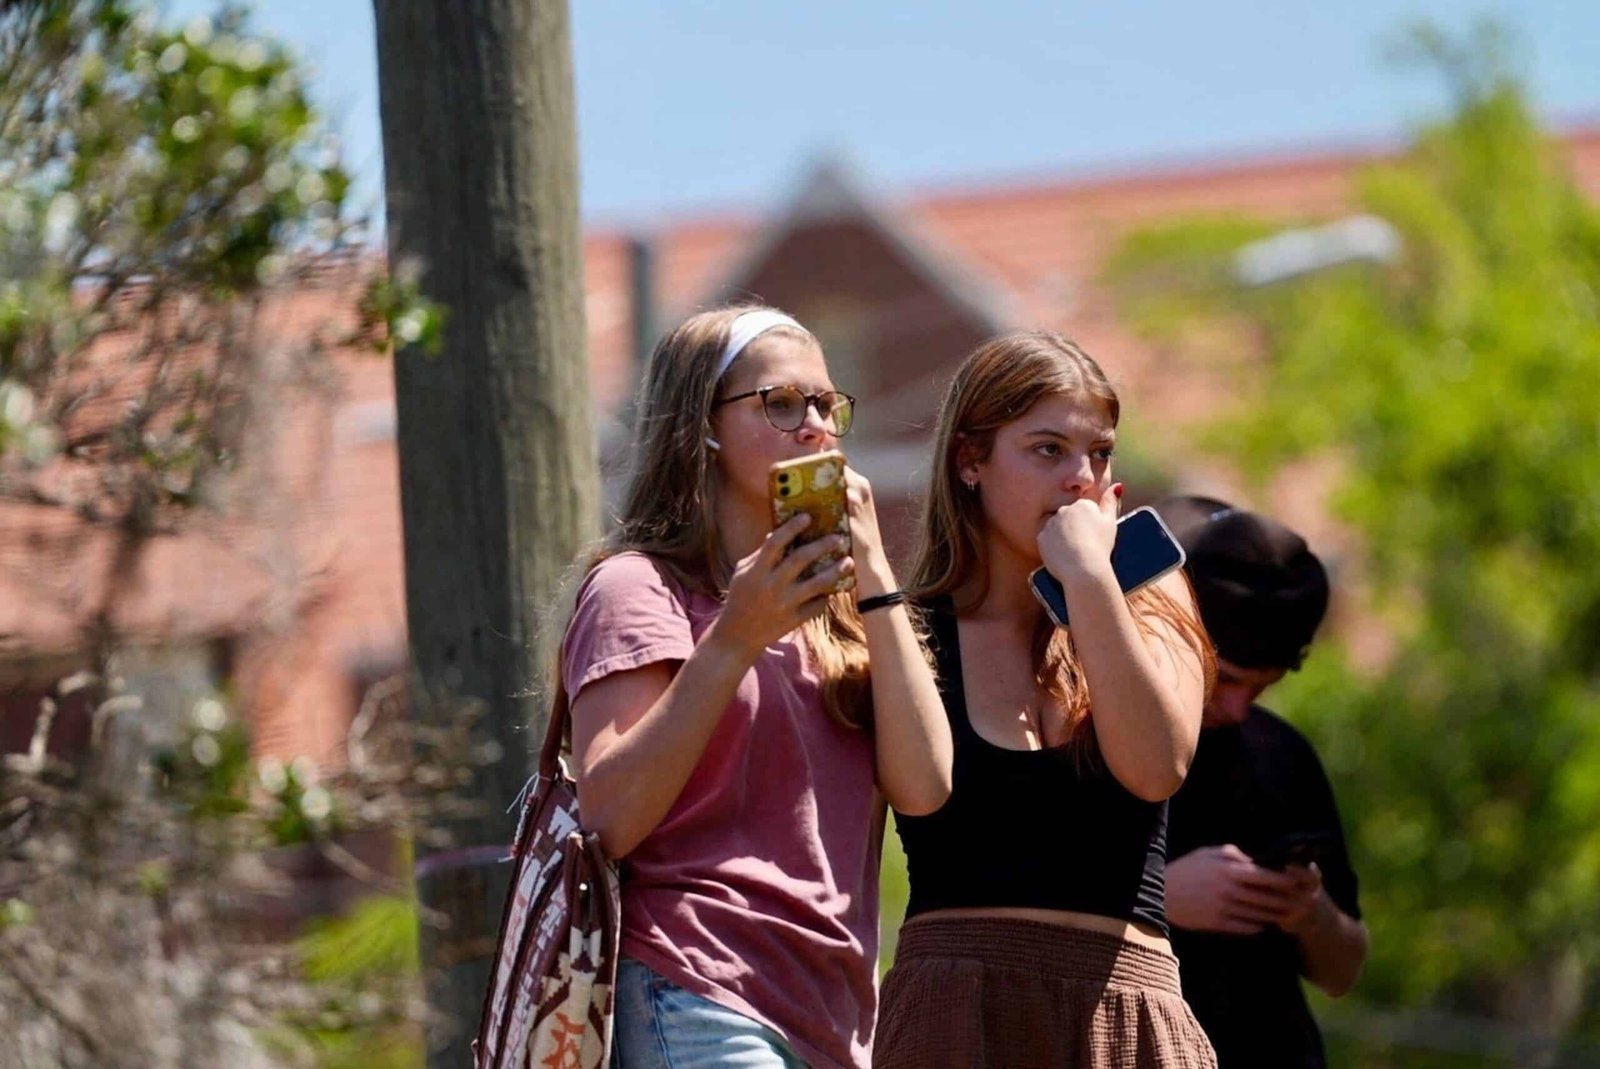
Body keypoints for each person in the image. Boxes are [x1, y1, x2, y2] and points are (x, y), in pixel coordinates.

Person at [562, 304, 953, 1069]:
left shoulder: (841, 614)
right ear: (701, 425)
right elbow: (607, 814)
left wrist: (872, 573)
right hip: (695, 980)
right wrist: (735, 636)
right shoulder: (639, 589)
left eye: (825, 404)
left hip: (834, 1012)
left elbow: (928, 785)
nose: (814, 426)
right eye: (779, 402)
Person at [875, 331, 1217, 1068]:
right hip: (954, 1015)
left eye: (1100, 454)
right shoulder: (904, 630)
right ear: (970, 460)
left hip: (1126, 1016)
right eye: (1047, 450)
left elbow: (1157, 764)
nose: (1081, 478)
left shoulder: (1152, 596)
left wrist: (1090, 581)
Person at [1155, 496, 1368, 1068]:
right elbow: (989, 912)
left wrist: (1310, 913)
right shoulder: (1075, 733)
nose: (1237, 708)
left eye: (1260, 688)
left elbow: (1344, 969)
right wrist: (1159, 896)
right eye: (1224, 678)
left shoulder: (1281, 755)